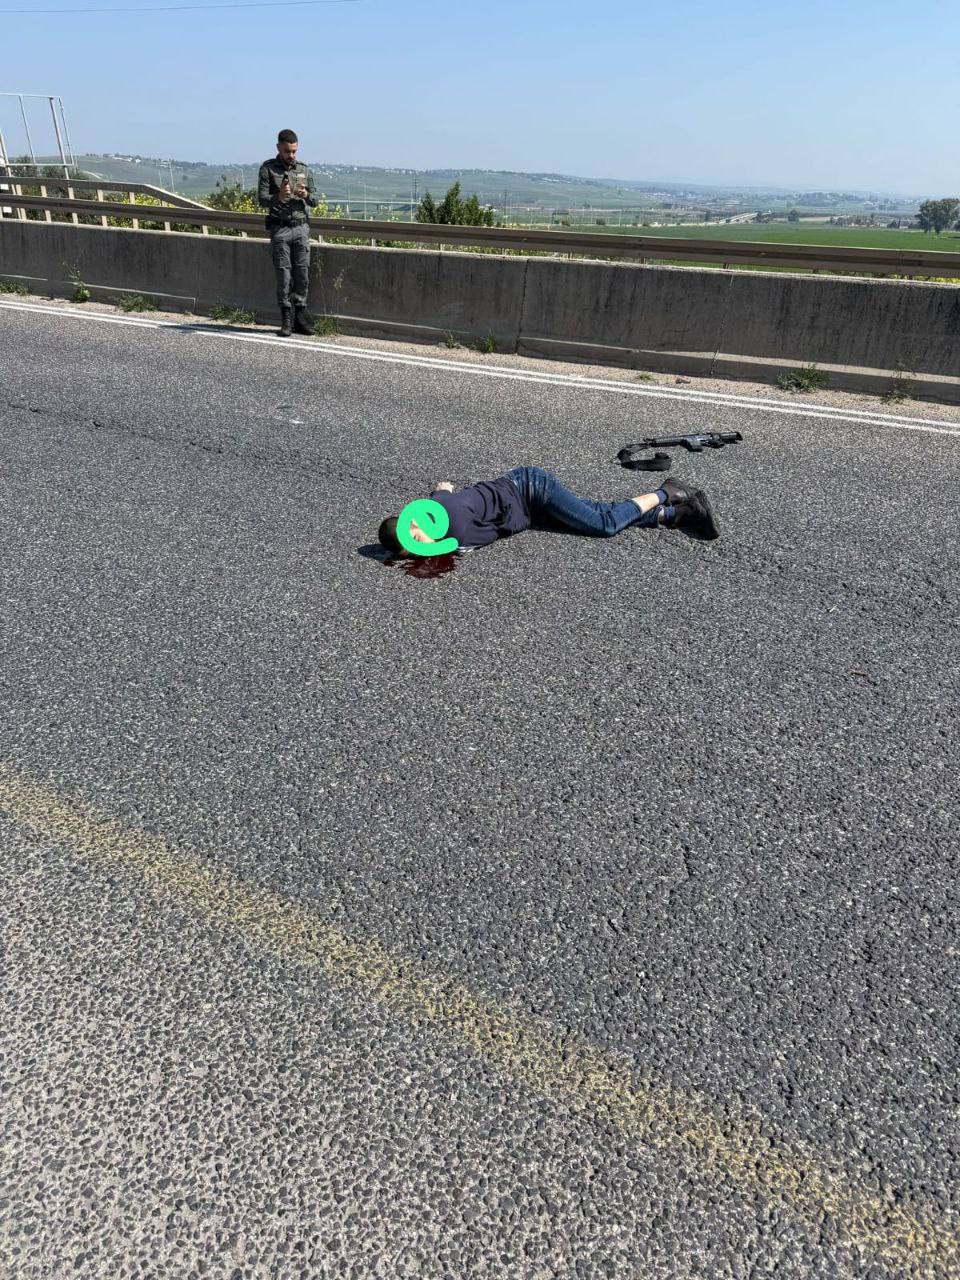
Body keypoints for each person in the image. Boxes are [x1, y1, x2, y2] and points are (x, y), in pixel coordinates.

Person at [377, 466, 719, 558]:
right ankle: (673, 515)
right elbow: (444, 489)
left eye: (416, 538)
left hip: (531, 491)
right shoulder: (435, 507)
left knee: (602, 524)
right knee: (589, 515)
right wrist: (442, 491)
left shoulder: (456, 533)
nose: (422, 546)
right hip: (521, 499)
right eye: (414, 550)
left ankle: (667, 491)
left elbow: (490, 534)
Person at [258, 129, 318, 338]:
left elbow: (316, 200)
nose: (291, 155)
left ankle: (300, 317)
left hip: (301, 228)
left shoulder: (304, 169)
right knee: (284, 275)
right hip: (280, 228)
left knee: (302, 274)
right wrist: (279, 197)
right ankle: (286, 319)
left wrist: (306, 194)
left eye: (294, 151)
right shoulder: (268, 169)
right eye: (287, 151)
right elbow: (262, 199)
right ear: (278, 148)